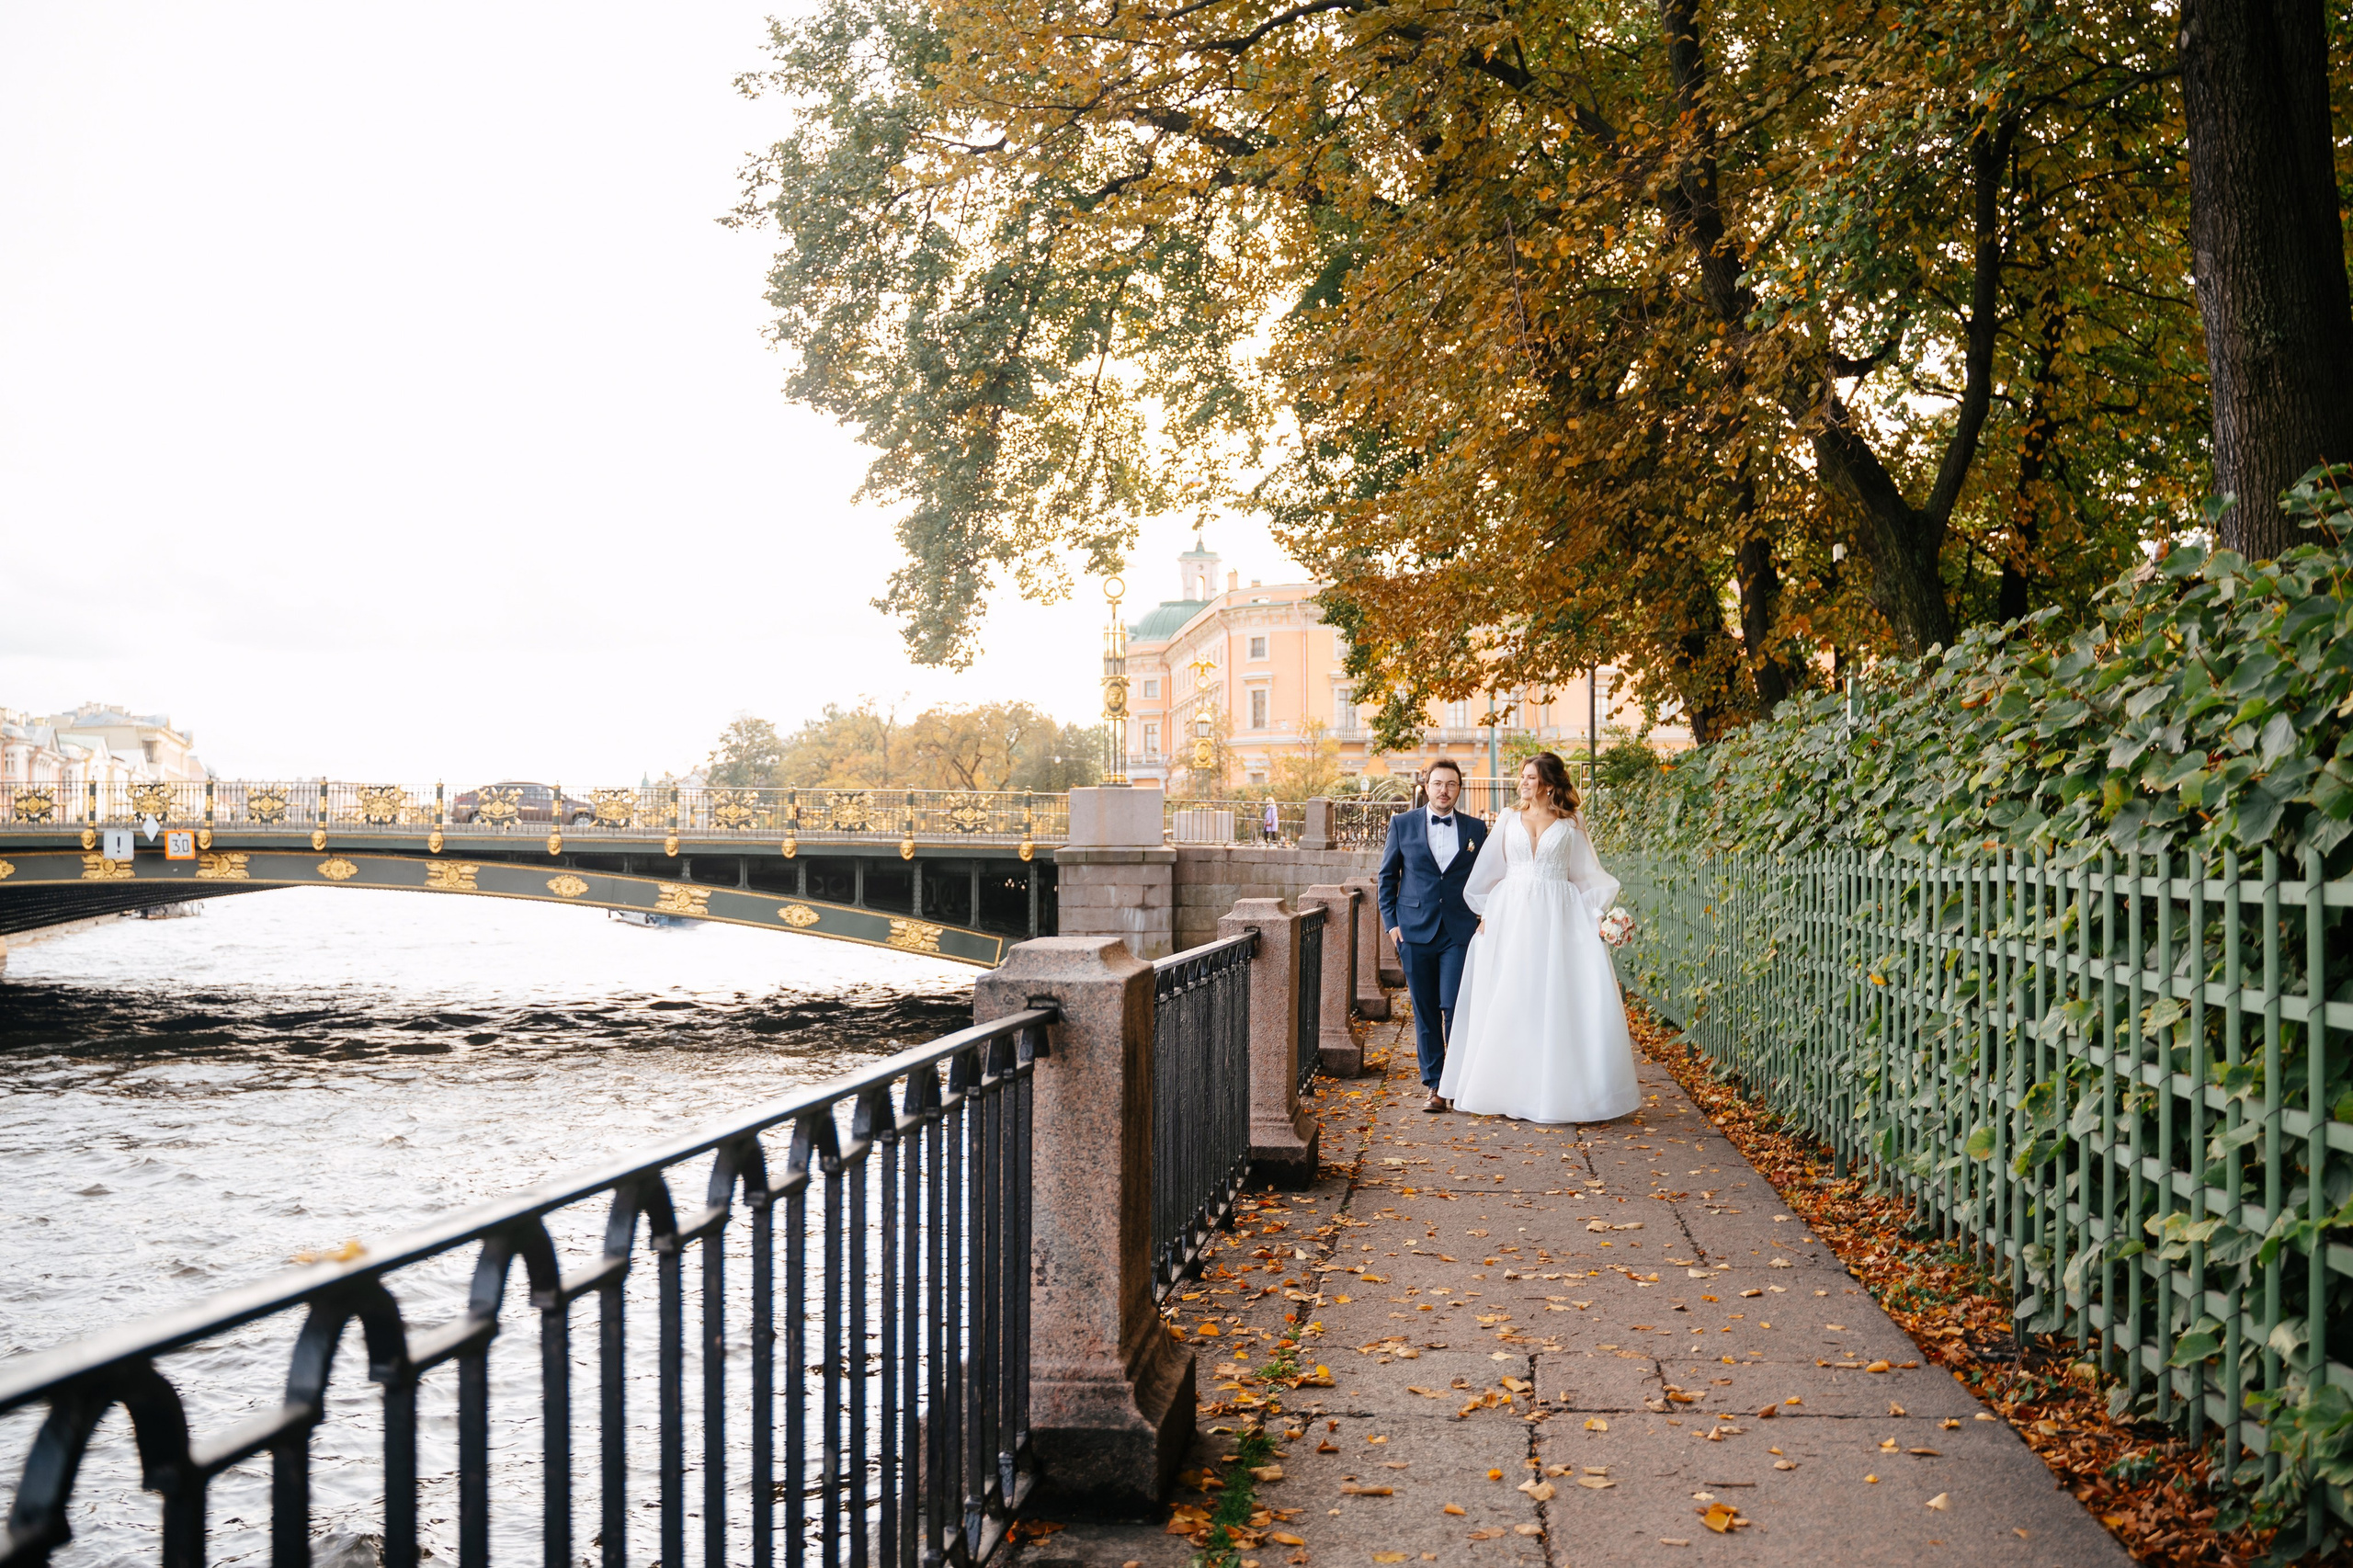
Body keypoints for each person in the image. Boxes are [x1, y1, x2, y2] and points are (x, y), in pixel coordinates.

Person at [1437, 751, 1641, 1124]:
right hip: (1511, 915)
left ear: (1548, 783)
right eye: (1523, 777)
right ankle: (1505, 1086)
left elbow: (1584, 875)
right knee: (1511, 996)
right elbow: (1487, 872)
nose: (1523, 783)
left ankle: (1554, 1091)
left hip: (1558, 917)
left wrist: (1598, 917)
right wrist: (1486, 913)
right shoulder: (1509, 819)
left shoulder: (1571, 822)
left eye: (1531, 777)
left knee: (1552, 999)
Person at [1377, 759, 1489, 1113]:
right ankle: (1435, 1086)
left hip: (1458, 931)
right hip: (1413, 931)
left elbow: (1488, 876)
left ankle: (1456, 1080)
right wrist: (1392, 926)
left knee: (1454, 1006)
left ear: (1459, 788)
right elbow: (1386, 879)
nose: (1444, 790)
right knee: (1425, 1011)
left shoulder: (1476, 828)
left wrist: (1484, 915)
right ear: (1426, 786)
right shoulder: (1402, 824)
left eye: (1452, 784)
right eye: (1438, 783)